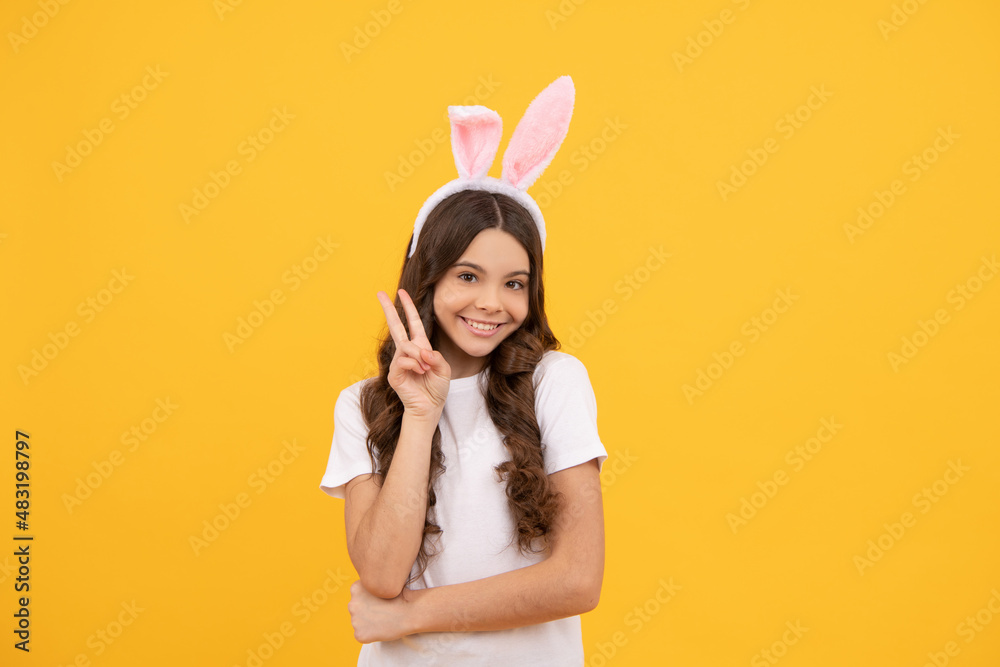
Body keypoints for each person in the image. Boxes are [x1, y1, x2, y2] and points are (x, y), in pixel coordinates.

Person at [319, 76, 607, 665]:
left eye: (515, 284)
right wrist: (422, 414)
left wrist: (413, 614)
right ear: (429, 276)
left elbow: (579, 579)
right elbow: (380, 573)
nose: (491, 303)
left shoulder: (556, 380)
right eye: (468, 276)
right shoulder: (363, 404)